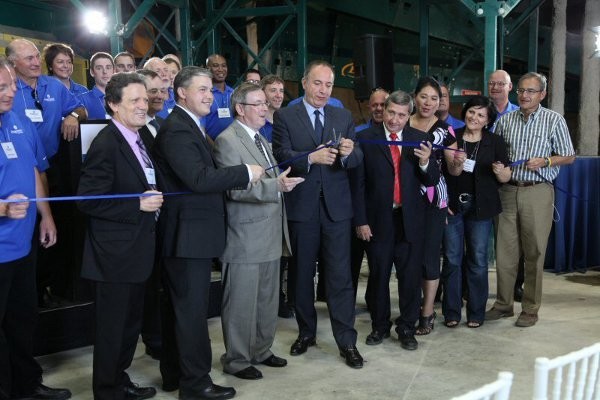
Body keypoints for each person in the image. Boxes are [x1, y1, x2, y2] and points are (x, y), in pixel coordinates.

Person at [153, 66, 264, 400]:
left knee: (180, 310)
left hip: (192, 234)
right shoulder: (177, 129)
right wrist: (244, 172)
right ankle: (195, 383)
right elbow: (198, 179)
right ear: (181, 93)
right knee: (190, 313)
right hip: (187, 236)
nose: (208, 95)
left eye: (209, 89)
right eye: (201, 89)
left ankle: (175, 374)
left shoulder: (190, 126)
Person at [272, 60, 364, 369]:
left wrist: (350, 153)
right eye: (317, 83)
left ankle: (347, 342)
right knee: (301, 276)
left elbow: (357, 158)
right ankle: (306, 333)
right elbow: (281, 155)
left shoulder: (343, 115)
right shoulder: (285, 116)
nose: (323, 90)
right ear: (304, 83)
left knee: (340, 277)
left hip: (336, 210)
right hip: (302, 208)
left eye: (328, 84)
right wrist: (309, 158)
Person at [77, 72, 162, 400]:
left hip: (137, 250)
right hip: (114, 255)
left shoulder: (140, 139)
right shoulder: (107, 143)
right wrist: (136, 205)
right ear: (113, 104)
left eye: (145, 99)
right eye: (135, 101)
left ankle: (119, 380)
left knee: (128, 325)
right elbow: (87, 199)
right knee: (113, 328)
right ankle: (107, 390)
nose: (144, 106)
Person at [213, 83, 304, 380]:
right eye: (258, 104)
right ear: (240, 108)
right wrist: (275, 186)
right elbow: (234, 188)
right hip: (244, 238)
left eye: (265, 103)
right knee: (240, 303)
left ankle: (261, 350)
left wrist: (280, 183)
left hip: (270, 233)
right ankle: (237, 359)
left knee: (266, 299)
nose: (265, 108)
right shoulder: (227, 140)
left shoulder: (261, 139)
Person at [0, 55, 68, 400]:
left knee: (22, 320)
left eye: (11, 84)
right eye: (2, 87)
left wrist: (46, 216)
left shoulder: (18, 120)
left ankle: (27, 386)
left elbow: (34, 170)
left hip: (22, 245)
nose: (11, 92)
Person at [486, 72, 575, 327]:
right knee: (504, 252)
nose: (524, 95)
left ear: (542, 95)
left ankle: (530, 307)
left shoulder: (553, 120)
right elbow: (497, 152)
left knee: (534, 251)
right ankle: (503, 304)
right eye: (521, 91)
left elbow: (568, 156)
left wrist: (546, 161)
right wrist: (498, 168)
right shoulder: (506, 121)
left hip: (538, 190)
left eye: (531, 91)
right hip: (507, 191)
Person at [351, 90, 437, 350]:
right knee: (378, 275)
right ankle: (380, 326)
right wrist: (361, 221)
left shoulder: (420, 139)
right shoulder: (365, 138)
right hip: (378, 220)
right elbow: (358, 185)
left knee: (410, 277)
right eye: (391, 113)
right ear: (383, 110)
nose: (395, 120)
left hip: (409, 220)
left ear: (408, 115)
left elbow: (431, 179)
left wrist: (425, 163)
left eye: (401, 115)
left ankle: (407, 328)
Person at [441, 96, 511, 328]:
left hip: (481, 208)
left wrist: (500, 171)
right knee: (452, 259)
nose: (474, 117)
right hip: (453, 206)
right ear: (465, 113)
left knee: (478, 260)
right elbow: (448, 172)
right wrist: (457, 164)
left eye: (481, 115)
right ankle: (451, 312)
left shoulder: (496, 142)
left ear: (488, 120)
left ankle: (476, 312)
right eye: (472, 112)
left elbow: (506, 177)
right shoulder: (452, 136)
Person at [406, 76, 456, 335]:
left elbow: (454, 169)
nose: (428, 102)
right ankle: (409, 309)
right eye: (424, 96)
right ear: (415, 97)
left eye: (434, 98)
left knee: (428, 258)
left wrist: (458, 162)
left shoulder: (446, 131)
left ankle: (427, 313)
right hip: (404, 197)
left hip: (434, 200)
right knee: (407, 257)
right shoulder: (402, 122)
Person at [6, 38, 86, 160]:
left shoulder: (55, 86)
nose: (37, 63)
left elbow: (81, 109)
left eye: (37, 56)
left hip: (53, 162)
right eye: (29, 58)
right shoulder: (7, 91)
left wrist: (74, 116)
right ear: (12, 63)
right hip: (18, 162)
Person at [204, 54, 234, 139]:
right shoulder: (204, 94)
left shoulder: (233, 93)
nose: (220, 69)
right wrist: (214, 148)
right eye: (215, 66)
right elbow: (200, 127)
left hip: (233, 146)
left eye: (223, 66)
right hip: (210, 147)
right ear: (207, 69)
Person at [79, 52, 114, 120]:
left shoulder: (122, 97)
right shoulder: (81, 100)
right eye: (99, 68)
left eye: (108, 67)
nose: (105, 72)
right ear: (92, 72)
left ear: (114, 71)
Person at [137, 69, 168, 139]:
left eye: (162, 91)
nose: (160, 96)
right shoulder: (132, 127)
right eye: (154, 91)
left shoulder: (163, 123)